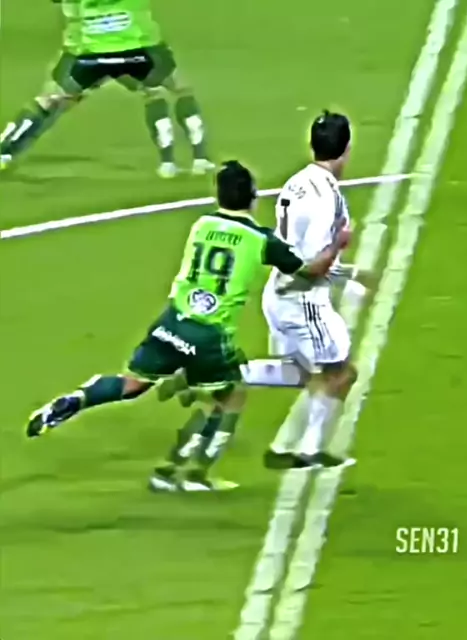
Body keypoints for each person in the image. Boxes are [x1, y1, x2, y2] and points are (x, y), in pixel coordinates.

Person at [26, 160, 351, 491]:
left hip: (173, 321)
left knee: (132, 384)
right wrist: (337, 243)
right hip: (209, 336)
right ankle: (191, 474)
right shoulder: (261, 239)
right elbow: (311, 271)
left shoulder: (201, 225)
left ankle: (78, 399)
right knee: (229, 396)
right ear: (253, 197)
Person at [261, 110, 372, 470]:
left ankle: (225, 377)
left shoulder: (296, 182)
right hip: (302, 299)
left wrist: (349, 273)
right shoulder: (329, 199)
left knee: (300, 374)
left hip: (277, 290)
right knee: (341, 373)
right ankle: (309, 450)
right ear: (347, 149)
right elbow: (313, 265)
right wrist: (340, 245)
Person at [0, 0, 214, 178]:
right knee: (172, 90)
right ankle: (191, 161)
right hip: (137, 50)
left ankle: (4, 152)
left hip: (89, 55)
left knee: (48, 101)